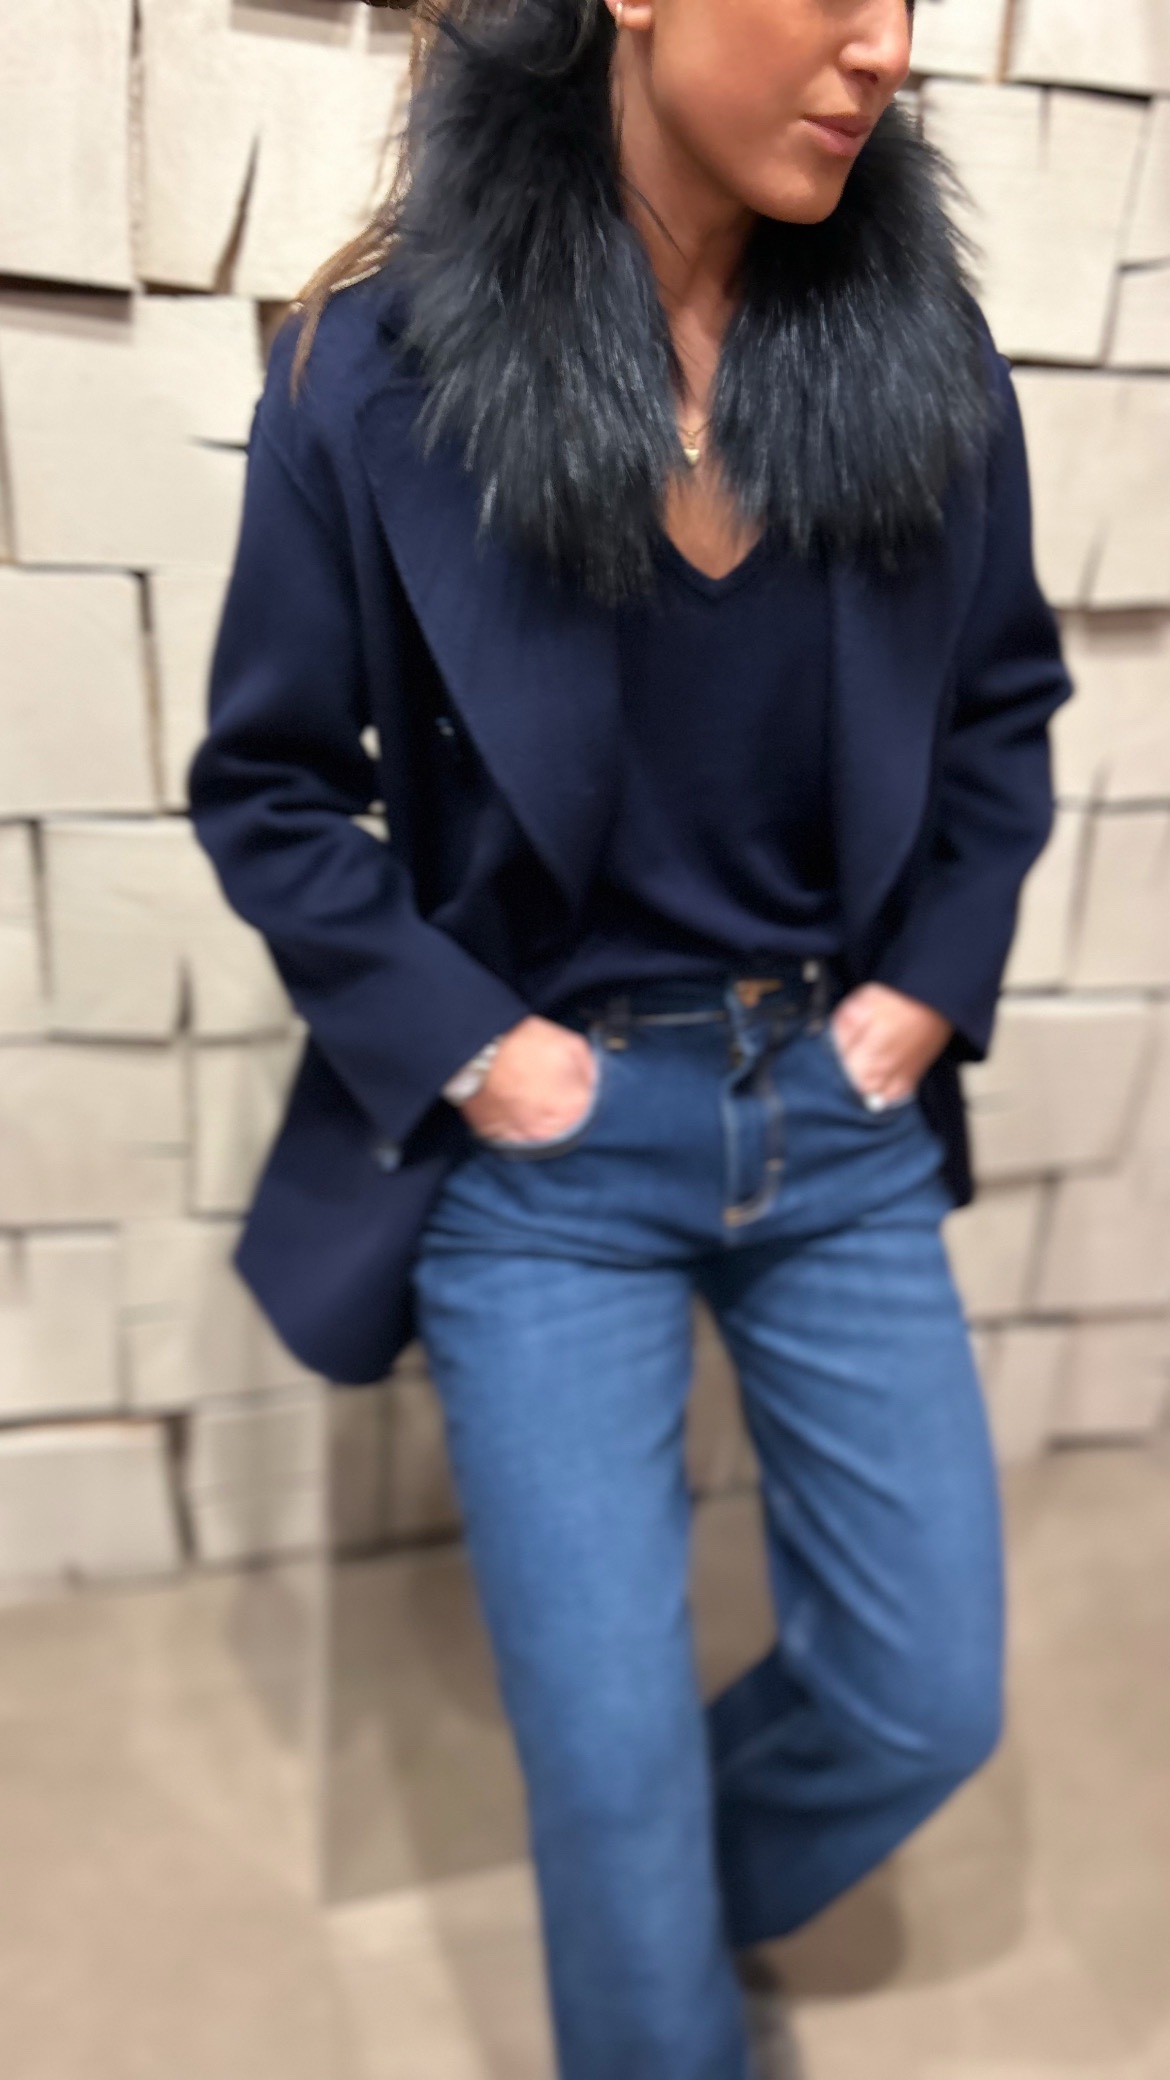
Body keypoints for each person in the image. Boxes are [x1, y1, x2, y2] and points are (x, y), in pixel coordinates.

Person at [187, 1, 1074, 2073]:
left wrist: (928, 984)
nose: (883, 47)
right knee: (601, 1763)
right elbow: (274, 791)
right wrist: (480, 1052)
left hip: (832, 1107)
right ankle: (645, 1942)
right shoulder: (372, 371)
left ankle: (661, 1896)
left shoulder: (925, 357)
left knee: (920, 1698)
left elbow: (998, 710)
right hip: (549, 1149)